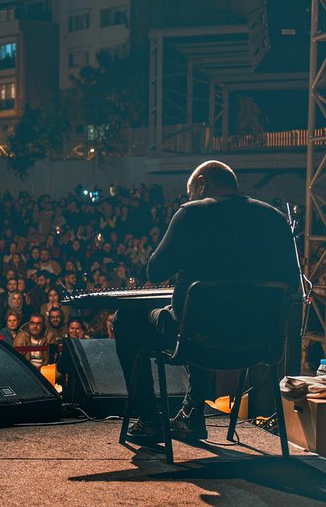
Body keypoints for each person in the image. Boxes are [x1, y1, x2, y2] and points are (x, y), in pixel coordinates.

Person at [115, 161, 301, 444]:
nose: (190, 199)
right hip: (259, 341)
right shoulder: (274, 218)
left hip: (197, 339)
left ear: (201, 183)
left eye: (191, 193)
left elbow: (155, 270)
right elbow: (292, 283)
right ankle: (191, 414)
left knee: (126, 320)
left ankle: (151, 421)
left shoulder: (192, 214)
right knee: (199, 317)